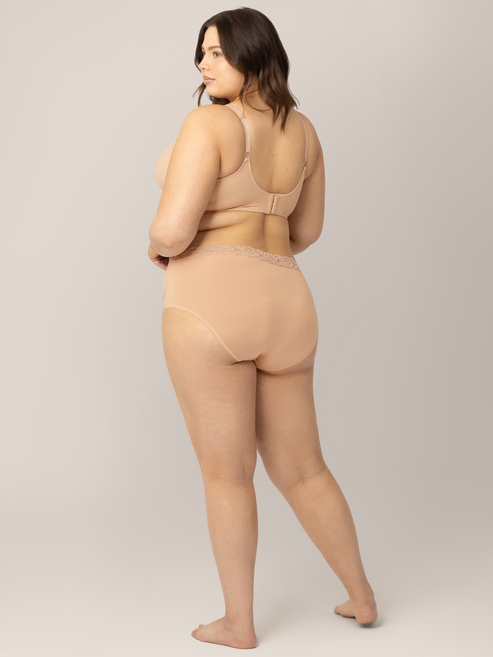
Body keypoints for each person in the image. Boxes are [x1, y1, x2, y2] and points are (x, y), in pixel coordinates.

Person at [148, 7, 377, 650]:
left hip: (211, 300)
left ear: (252, 54)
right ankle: (361, 598)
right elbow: (306, 232)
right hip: (287, 302)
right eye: (201, 52)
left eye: (217, 52)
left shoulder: (208, 123)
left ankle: (238, 623)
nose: (204, 63)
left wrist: (157, 243)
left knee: (227, 474)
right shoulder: (304, 131)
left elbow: (173, 229)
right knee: (305, 469)